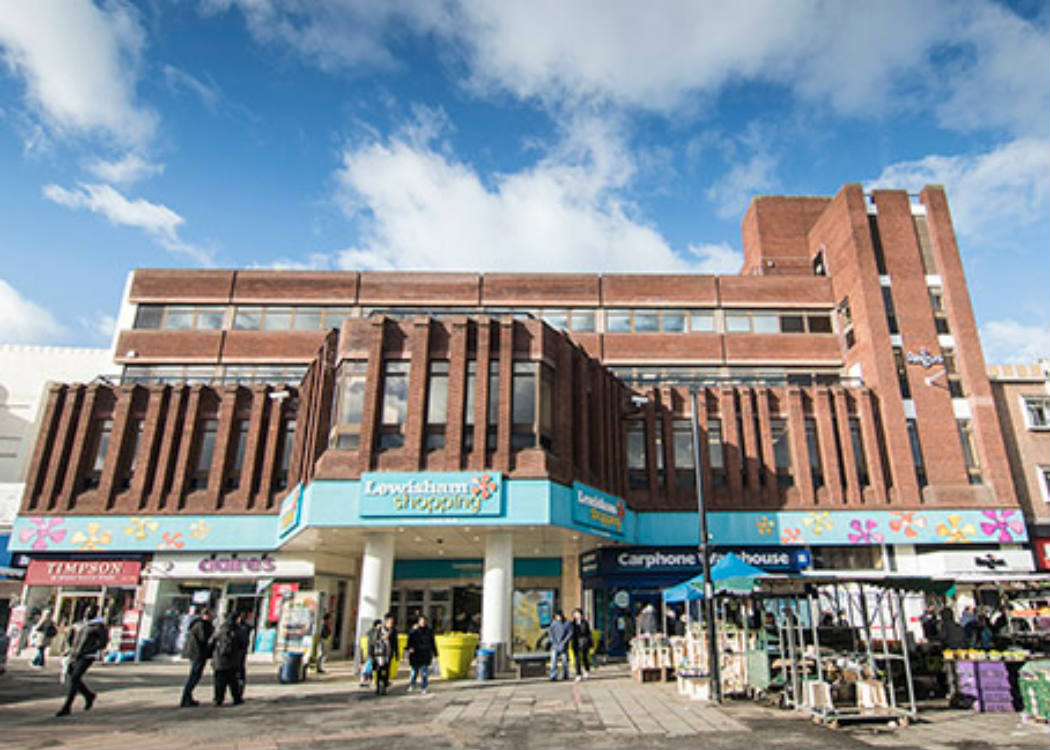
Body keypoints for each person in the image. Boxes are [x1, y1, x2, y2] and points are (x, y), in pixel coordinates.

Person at [56, 604, 107, 717]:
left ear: (95, 613)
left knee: (75, 677)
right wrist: (68, 649)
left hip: (87, 656)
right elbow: (70, 637)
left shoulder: (98, 626)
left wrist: (90, 650)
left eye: (91, 611)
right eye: (86, 610)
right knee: (72, 676)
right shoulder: (79, 624)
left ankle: (67, 706)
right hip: (74, 655)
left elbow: (103, 643)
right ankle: (88, 695)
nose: (87, 613)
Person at [180, 606, 214, 707]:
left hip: (197, 653)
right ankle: (185, 698)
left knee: (195, 675)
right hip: (198, 653)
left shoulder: (198, 624)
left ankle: (188, 697)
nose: (213, 617)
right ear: (206, 615)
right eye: (211, 615)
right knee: (194, 676)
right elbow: (204, 639)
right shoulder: (201, 625)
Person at [211, 612, 247, 706]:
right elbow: (243, 644)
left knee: (219, 681)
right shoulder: (238, 631)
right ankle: (236, 698)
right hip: (232, 660)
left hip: (219, 659)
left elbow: (211, 642)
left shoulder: (220, 630)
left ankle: (218, 699)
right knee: (233, 680)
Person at [406, 615, 438, 695]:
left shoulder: (429, 631)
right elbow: (410, 641)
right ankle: (412, 684)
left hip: (425, 654)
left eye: (424, 621)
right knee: (414, 672)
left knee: (424, 672)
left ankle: (423, 687)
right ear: (419, 622)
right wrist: (410, 648)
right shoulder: (414, 631)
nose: (423, 623)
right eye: (421, 621)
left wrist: (435, 653)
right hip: (416, 654)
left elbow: (432, 642)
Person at [370, 621, 394, 695]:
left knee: (386, 672)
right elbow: (372, 643)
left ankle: (384, 687)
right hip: (378, 656)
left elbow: (392, 643)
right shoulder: (377, 634)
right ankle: (378, 688)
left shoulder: (390, 633)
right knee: (379, 672)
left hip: (387, 656)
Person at [569, 608, 593, 682]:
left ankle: (586, 670)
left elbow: (587, 633)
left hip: (584, 642)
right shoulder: (572, 623)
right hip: (576, 642)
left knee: (585, 657)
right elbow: (571, 633)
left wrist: (589, 642)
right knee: (577, 659)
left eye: (578, 613)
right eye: (575, 614)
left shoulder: (585, 622)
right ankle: (578, 674)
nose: (576, 615)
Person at [548, 611, 571, 681]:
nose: (558, 618)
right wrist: (553, 641)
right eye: (557, 616)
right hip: (555, 645)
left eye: (559, 616)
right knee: (553, 661)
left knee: (564, 661)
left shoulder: (567, 623)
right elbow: (550, 633)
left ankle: (565, 674)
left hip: (563, 645)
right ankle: (553, 675)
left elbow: (570, 633)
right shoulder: (553, 624)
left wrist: (564, 641)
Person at [360, 618, 381, 687]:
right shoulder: (375, 632)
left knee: (369, 666)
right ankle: (366, 680)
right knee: (369, 666)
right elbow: (374, 642)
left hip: (368, 652)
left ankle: (367, 680)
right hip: (372, 652)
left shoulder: (369, 632)